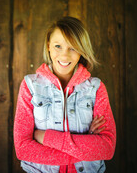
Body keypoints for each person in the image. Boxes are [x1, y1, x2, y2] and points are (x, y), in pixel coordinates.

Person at [14, 16, 116, 173]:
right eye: (58, 46)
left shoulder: (96, 88)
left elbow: (107, 148)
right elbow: (23, 149)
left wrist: (45, 137)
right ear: (48, 46)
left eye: (73, 47)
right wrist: (86, 147)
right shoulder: (30, 86)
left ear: (82, 50)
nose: (64, 55)